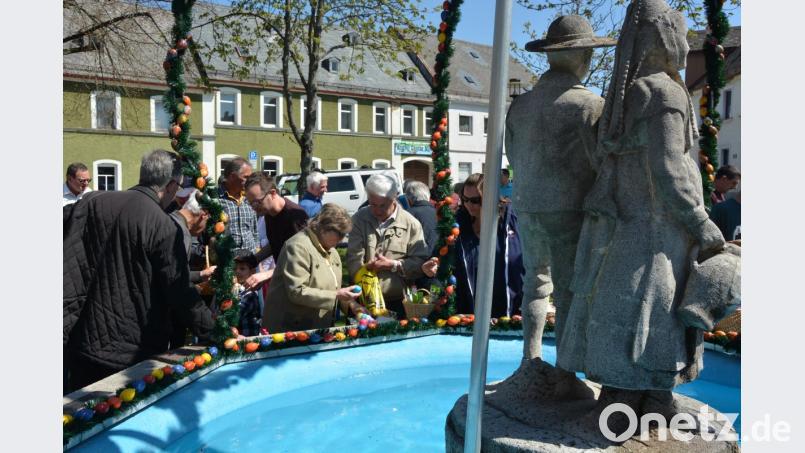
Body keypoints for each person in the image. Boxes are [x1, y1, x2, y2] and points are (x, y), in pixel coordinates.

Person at [557, 0, 725, 423]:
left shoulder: (631, 92)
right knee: (660, 306)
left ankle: (629, 397)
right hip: (661, 228)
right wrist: (700, 221)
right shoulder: (664, 92)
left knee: (628, 306)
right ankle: (647, 397)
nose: (686, 45)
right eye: (683, 35)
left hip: (629, 230)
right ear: (666, 37)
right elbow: (669, 167)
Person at [503, 13, 614, 399]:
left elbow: (512, 156)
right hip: (571, 209)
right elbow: (603, 164)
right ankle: (566, 373)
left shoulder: (521, 106)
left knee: (535, 283)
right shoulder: (589, 106)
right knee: (567, 290)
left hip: (529, 205)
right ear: (583, 55)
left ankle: (530, 359)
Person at [64, 150, 214, 391]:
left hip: (81, 341)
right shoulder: (162, 225)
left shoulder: (93, 201)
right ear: (172, 185)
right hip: (128, 352)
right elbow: (179, 290)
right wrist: (213, 331)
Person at [263, 203, 367, 332]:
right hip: (290, 330)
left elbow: (332, 288)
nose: (341, 240)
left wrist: (352, 304)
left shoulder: (332, 252)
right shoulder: (297, 247)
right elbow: (297, 291)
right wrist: (337, 295)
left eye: (344, 235)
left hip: (317, 328)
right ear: (323, 228)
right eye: (339, 234)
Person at [347, 174, 430, 316]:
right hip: (363, 301)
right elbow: (353, 259)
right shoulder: (359, 219)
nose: (377, 211)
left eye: (383, 205)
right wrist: (366, 270)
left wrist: (393, 265)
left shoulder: (411, 224)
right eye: (372, 204)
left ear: (395, 198)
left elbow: (420, 264)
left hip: (399, 302)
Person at [452, 173, 525, 318]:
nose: (468, 205)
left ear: (491, 197)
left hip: (510, 309)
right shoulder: (458, 223)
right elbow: (445, 258)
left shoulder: (512, 220)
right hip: (469, 311)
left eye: (475, 200)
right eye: (465, 199)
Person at [242, 173, 309, 290]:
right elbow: (276, 243)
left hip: (301, 286)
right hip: (284, 281)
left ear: (273, 193)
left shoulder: (295, 216)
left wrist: (266, 275)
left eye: (257, 202)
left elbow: (300, 261)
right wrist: (253, 260)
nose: (253, 207)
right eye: (250, 202)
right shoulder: (269, 213)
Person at [219, 157, 259, 256]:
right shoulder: (215, 199)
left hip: (250, 259)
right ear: (232, 176)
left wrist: (257, 253)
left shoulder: (249, 197)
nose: (250, 181)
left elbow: (254, 230)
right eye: (246, 177)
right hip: (227, 262)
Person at [234, 253, 263, 337]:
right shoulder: (237, 290)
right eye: (235, 268)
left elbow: (234, 316)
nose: (237, 271)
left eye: (242, 268)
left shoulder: (250, 294)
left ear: (252, 272)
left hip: (247, 338)